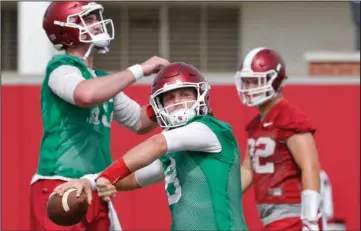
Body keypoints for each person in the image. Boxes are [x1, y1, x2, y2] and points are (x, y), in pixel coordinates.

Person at [54, 62, 249, 231]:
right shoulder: (175, 152)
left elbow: (157, 144)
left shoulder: (209, 129)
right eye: (170, 98)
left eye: (184, 94)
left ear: (201, 94)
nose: (178, 102)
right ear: (158, 105)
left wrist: (108, 176)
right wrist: (90, 182)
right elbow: (132, 179)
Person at [30, 1, 169, 230]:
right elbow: (86, 94)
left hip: (95, 185)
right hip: (60, 184)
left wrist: (168, 98)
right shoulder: (60, 68)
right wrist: (139, 70)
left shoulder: (100, 78)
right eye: (89, 19)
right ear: (67, 28)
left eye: (96, 18)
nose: (97, 24)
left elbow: (140, 121)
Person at [235, 47, 322, 231]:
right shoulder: (256, 124)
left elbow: (310, 166)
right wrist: (223, 194)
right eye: (247, 82)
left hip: (293, 216)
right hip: (272, 216)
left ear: (275, 81)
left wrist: (310, 218)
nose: (250, 89)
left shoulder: (288, 117)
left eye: (256, 82)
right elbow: (248, 169)